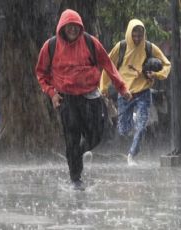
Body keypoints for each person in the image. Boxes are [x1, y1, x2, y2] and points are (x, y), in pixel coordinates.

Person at [36, 9, 132, 191]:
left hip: (91, 97)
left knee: (96, 135)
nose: (72, 29)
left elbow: (108, 65)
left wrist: (122, 88)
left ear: (80, 27)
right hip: (68, 100)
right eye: (68, 26)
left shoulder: (90, 42)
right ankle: (75, 178)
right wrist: (52, 93)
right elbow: (41, 73)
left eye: (75, 26)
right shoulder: (50, 46)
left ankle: (77, 154)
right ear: (62, 27)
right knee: (71, 139)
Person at [100, 19, 171, 166]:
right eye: (134, 35)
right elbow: (108, 65)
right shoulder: (121, 47)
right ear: (129, 34)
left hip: (144, 93)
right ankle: (134, 119)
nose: (137, 39)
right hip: (125, 93)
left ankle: (131, 155)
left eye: (140, 35)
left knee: (141, 126)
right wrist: (104, 87)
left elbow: (166, 64)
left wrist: (156, 74)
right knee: (123, 130)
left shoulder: (149, 47)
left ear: (144, 34)